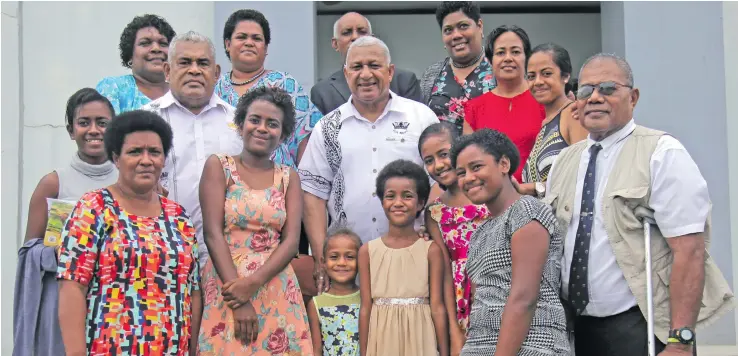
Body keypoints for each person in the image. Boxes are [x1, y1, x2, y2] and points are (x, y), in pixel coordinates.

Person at [544, 53, 736, 356]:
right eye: (586, 90)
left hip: (641, 325)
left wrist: (680, 341)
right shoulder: (564, 161)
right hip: (576, 328)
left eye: (608, 89)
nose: (594, 98)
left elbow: (690, 250)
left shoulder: (662, 152)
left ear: (633, 97)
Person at [299, 35, 439, 294]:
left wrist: (430, 232)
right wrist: (321, 256)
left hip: (412, 255)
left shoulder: (421, 118)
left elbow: (439, 183)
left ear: (390, 71)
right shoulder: (328, 127)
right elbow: (313, 195)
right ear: (345, 73)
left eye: (374, 66)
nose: (365, 75)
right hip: (347, 265)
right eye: (357, 67)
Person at [57, 110, 202, 356]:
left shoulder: (179, 218)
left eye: (154, 152)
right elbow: (72, 287)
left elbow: (193, 291)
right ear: (116, 157)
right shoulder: (94, 208)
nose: (146, 160)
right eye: (135, 152)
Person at [197, 86, 313, 355]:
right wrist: (239, 298)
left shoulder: (289, 178)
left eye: (272, 124)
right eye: (255, 120)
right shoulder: (219, 166)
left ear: (283, 135)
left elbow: (291, 241)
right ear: (240, 124)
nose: (262, 128)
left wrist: (253, 283)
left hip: (275, 282)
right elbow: (212, 233)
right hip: (228, 283)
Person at [14, 88, 118, 356]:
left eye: (102, 122)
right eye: (84, 122)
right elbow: (29, 253)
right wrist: (62, 251)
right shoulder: (53, 183)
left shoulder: (128, 182)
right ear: (71, 130)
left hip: (116, 307)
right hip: (65, 304)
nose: (94, 130)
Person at [451, 129, 569, 356]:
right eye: (461, 172)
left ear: (504, 164)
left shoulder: (526, 210)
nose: (468, 178)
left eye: (476, 167)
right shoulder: (479, 232)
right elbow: (481, 303)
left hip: (533, 346)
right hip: (480, 346)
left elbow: (524, 298)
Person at [141, 30, 243, 267]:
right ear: (167, 71)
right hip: (160, 252)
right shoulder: (144, 121)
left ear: (216, 73)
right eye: (185, 62)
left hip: (229, 260)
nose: (194, 70)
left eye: (203, 63)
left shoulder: (239, 123)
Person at [358, 159, 448, 356]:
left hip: (421, 340)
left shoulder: (430, 250)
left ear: (421, 203)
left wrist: (444, 352)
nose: (398, 203)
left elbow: (438, 307)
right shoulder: (367, 252)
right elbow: (365, 308)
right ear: (382, 202)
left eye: (407, 196)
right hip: (381, 340)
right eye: (390, 196)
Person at [215, 9, 322, 168]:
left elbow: (306, 140)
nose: (249, 42)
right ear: (228, 44)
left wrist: (306, 187)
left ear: (265, 48)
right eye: (241, 37)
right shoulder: (216, 88)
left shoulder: (284, 84)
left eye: (256, 38)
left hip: (281, 183)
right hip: (228, 182)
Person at [420, 123, 488, 355]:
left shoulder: (488, 196)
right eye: (429, 160)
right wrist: (454, 329)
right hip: (461, 300)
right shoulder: (435, 212)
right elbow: (445, 275)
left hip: (495, 292)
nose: (437, 165)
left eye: (443, 154)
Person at [463, 25, 545, 182]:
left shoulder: (545, 100)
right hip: (488, 200)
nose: (508, 58)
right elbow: (469, 164)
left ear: (527, 57)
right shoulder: (474, 109)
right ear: (489, 60)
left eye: (515, 52)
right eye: (500, 53)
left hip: (537, 198)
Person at [310, 12, 423, 115]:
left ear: (372, 38)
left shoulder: (404, 80)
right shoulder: (322, 91)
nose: (355, 37)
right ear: (335, 44)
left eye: (362, 32)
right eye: (347, 32)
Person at [517, 43, 588, 197]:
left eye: (546, 73)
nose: (538, 82)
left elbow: (584, 177)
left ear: (565, 76)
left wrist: (531, 188)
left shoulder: (573, 115)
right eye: (531, 76)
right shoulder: (546, 123)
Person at [421, 1, 496, 132]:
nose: (456, 35)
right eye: (448, 30)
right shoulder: (431, 75)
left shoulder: (499, 69)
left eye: (463, 26)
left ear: (479, 26)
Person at [96, 14, 176, 114]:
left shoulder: (183, 92)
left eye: (163, 43)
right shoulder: (113, 88)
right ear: (130, 55)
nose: (156, 48)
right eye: (145, 43)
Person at [307, 227, 363, 356]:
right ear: (323, 262)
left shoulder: (367, 299)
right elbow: (317, 350)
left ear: (361, 261)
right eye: (334, 257)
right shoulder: (316, 304)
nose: (342, 263)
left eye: (349, 257)